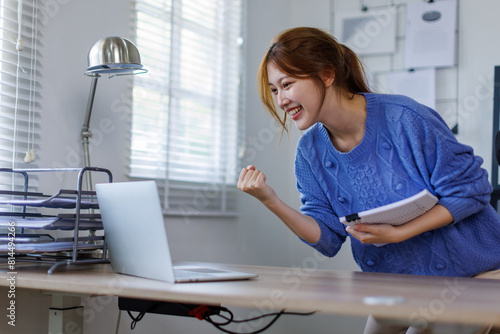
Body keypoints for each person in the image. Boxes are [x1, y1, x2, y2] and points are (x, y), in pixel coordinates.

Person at [237, 27, 500, 334]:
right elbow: (327, 238)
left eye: (287, 84)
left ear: (326, 75)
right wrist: (271, 200)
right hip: (399, 283)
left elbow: (472, 191)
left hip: (475, 275)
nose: (281, 100)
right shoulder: (309, 152)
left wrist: (400, 233)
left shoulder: (405, 118)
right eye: (274, 90)